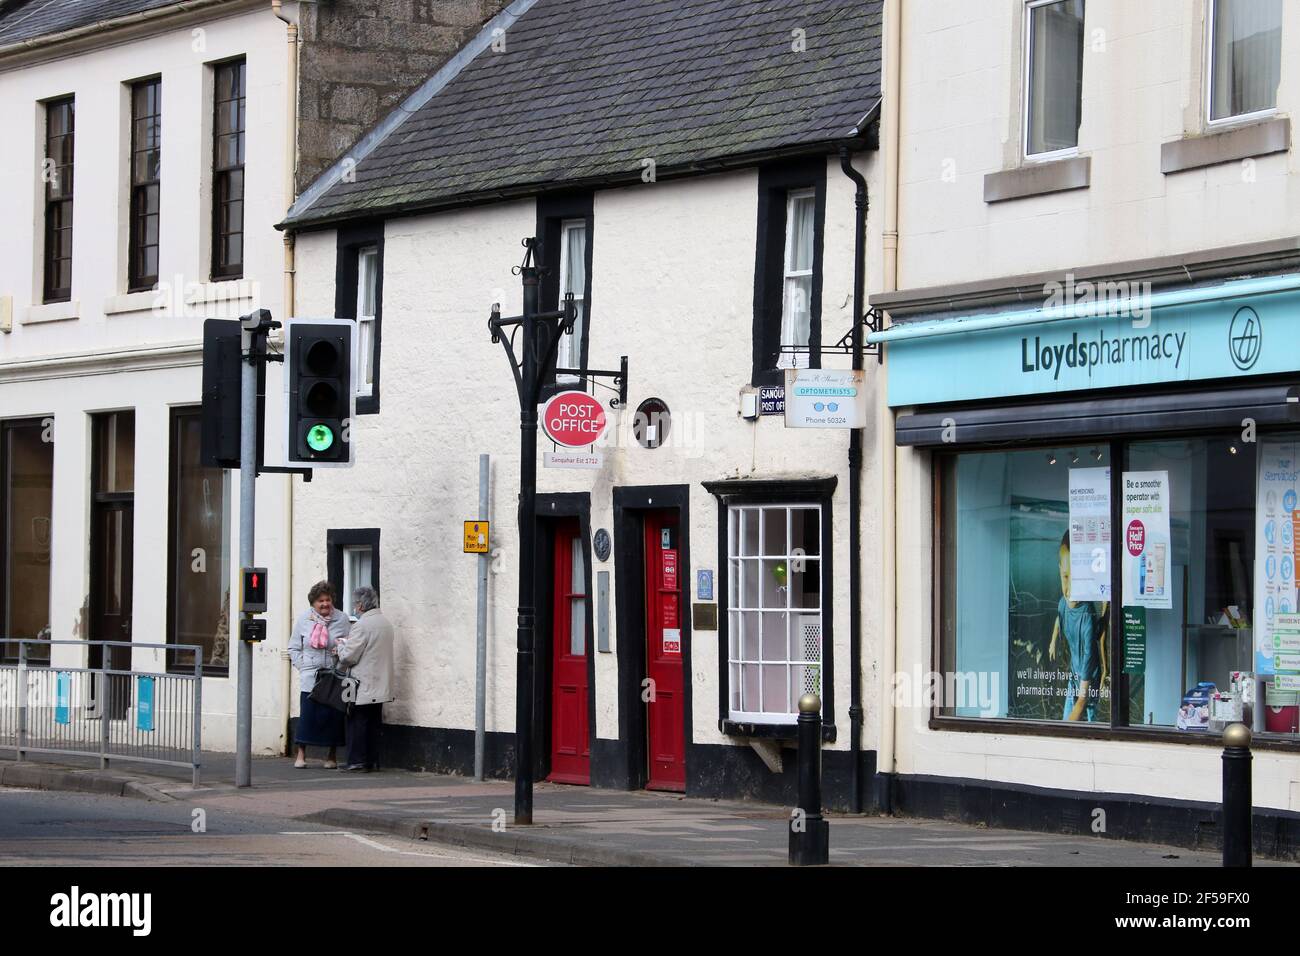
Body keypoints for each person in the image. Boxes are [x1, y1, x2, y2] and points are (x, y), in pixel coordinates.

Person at [287, 580, 351, 768]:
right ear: (313, 603)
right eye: (320, 601)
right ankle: (301, 755)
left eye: (328, 600)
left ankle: (331, 757)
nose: (325, 604)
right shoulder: (304, 619)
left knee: (333, 716)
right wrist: (303, 666)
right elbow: (293, 647)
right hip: (310, 676)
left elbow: (349, 644)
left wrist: (340, 660)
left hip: (332, 675)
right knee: (308, 715)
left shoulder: (342, 619)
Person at [1049, 531, 1109, 722]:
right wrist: (1052, 642)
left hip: (1087, 678)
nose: (1070, 589)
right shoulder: (1062, 603)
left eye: (1077, 579)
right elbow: (1059, 617)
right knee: (1070, 715)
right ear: (1060, 570)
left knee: (1088, 716)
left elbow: (1083, 697)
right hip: (1074, 675)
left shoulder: (1087, 616)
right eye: (1065, 577)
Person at [336, 586, 395, 772]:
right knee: (373, 722)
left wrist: (340, 647)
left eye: (355, 604)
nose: (355, 608)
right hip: (381, 682)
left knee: (357, 722)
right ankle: (372, 760)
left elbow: (349, 657)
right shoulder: (386, 623)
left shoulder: (361, 626)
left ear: (360, 605)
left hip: (362, 683)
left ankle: (357, 761)